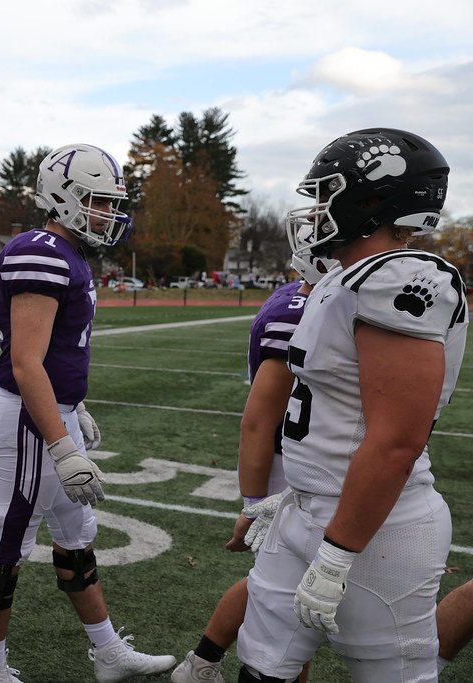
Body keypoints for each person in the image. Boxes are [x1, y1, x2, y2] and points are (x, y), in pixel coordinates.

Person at [236, 128, 466, 683]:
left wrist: (339, 551)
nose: (314, 212)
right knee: (262, 669)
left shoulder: (403, 278)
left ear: (371, 200)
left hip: (374, 527)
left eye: (326, 195)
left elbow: (395, 441)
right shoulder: (341, 278)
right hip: (308, 506)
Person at [0, 143, 175, 683]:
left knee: (78, 537)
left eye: (111, 203)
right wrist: (61, 443)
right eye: (97, 201)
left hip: (48, 416)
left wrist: (72, 407)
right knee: (5, 550)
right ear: (61, 198)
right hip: (29, 422)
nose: (107, 214)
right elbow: (26, 360)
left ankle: (107, 653)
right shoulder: (39, 251)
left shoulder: (67, 252)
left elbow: (54, 351)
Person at [170, 234, 338, 683]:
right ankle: (207, 664)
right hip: (300, 467)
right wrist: (253, 502)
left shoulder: (298, 296)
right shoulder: (299, 310)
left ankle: (202, 662)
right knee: (287, 596)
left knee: (277, 588)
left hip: (312, 463)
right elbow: (260, 422)